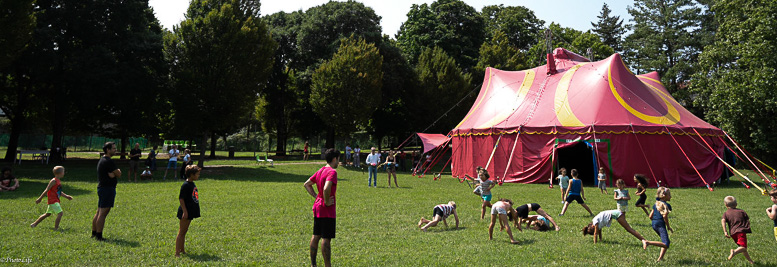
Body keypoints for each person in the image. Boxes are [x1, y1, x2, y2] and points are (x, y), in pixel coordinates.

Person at [303, 148, 340, 267]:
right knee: (326, 238)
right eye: (338, 159)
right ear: (334, 159)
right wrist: (326, 200)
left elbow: (307, 184)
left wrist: (316, 197)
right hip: (326, 209)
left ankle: (313, 265)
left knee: (316, 236)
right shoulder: (332, 172)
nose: (338, 162)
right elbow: (326, 188)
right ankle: (327, 265)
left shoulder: (320, 170)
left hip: (317, 207)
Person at [92, 142, 121, 241]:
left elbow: (115, 173)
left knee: (99, 211)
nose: (115, 150)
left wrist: (114, 173)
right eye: (113, 148)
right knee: (103, 213)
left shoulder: (102, 160)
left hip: (102, 188)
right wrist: (115, 173)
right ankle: (99, 236)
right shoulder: (109, 161)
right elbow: (119, 173)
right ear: (108, 150)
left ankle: (94, 233)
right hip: (107, 189)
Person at [582, 209, 654, 247]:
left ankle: (643, 240)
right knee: (628, 229)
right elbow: (599, 232)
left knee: (629, 229)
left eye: (593, 229)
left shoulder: (595, 221)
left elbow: (595, 233)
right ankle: (643, 240)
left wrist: (595, 244)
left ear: (591, 226)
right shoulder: (596, 223)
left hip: (617, 214)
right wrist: (600, 240)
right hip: (617, 213)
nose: (595, 230)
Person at [175, 165, 201, 257]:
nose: (198, 176)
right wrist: (185, 212)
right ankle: (177, 253)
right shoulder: (185, 185)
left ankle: (182, 250)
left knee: (184, 231)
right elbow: (181, 199)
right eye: (197, 174)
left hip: (190, 210)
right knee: (181, 232)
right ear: (191, 174)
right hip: (185, 211)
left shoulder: (192, 183)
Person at [722, 196, 754, 264]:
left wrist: (725, 231)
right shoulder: (741, 211)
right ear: (736, 204)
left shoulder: (726, 213)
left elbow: (723, 221)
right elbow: (747, 220)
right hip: (741, 232)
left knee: (741, 247)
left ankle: (751, 261)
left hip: (733, 233)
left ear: (726, 205)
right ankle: (734, 252)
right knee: (744, 247)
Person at [647, 187, 673, 261]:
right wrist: (668, 226)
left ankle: (660, 258)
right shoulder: (667, 205)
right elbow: (665, 216)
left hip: (654, 224)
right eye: (669, 195)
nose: (671, 197)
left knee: (665, 241)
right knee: (666, 243)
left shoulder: (656, 204)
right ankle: (648, 242)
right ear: (664, 196)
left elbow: (650, 216)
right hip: (660, 225)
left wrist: (655, 221)